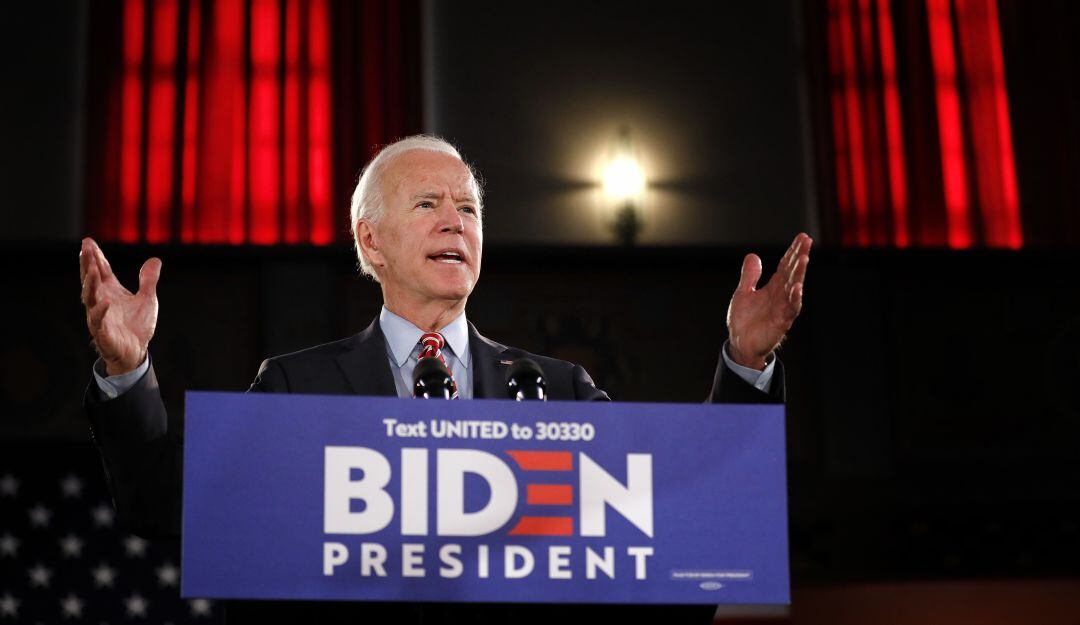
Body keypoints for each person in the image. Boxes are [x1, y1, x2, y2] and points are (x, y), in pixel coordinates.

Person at [79, 135, 811, 624]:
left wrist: (745, 366)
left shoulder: (559, 389)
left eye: (467, 208)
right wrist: (127, 368)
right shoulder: (299, 388)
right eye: (427, 204)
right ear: (371, 240)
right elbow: (167, 505)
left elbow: (675, 518)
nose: (454, 222)